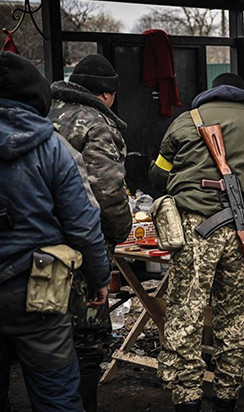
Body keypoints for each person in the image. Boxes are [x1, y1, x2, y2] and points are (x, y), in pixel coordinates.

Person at [149, 73, 244, 412]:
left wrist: (183, 180)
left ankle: (186, 399)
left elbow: (158, 173)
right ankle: (226, 399)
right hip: (241, 231)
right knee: (233, 321)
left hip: (192, 229)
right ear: (242, 97)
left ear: (209, 94)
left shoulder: (184, 122)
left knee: (186, 318)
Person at [0, 51, 111, 411]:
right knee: (56, 397)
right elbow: (82, 222)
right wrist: (98, 277)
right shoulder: (51, 147)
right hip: (37, 290)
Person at [47, 53, 132, 412]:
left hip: (37, 245)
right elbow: (107, 190)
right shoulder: (95, 123)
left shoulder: (45, 114)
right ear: (107, 94)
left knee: (45, 336)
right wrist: (122, 230)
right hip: (81, 247)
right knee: (87, 338)